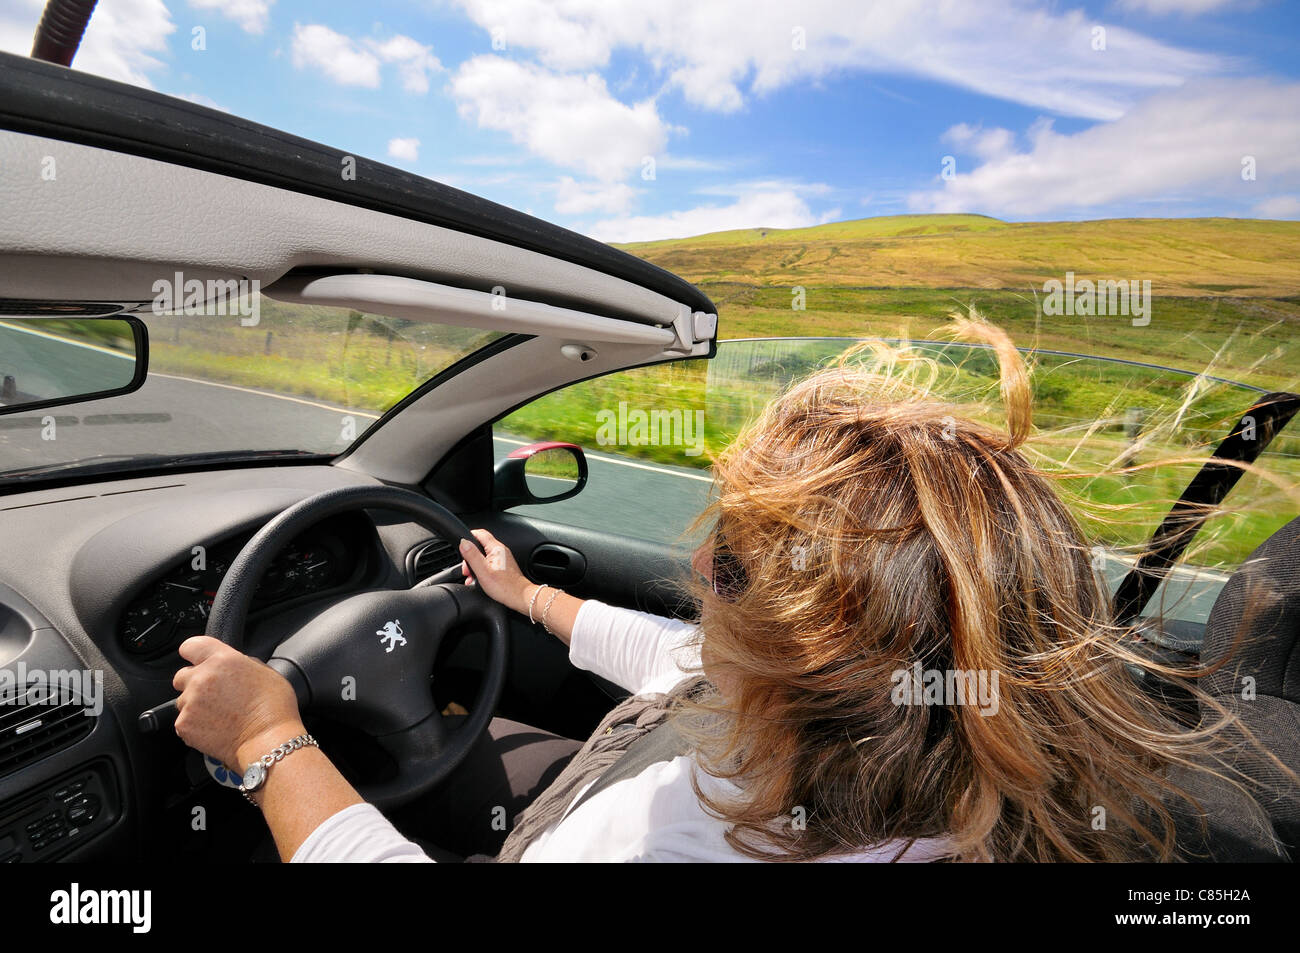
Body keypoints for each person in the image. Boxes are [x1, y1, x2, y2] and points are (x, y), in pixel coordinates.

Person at [171, 317, 1272, 862]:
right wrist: (524, 598)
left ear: (809, 649)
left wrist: (272, 739)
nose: (697, 571)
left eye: (730, 561)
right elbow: (671, 656)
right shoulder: (891, 728)